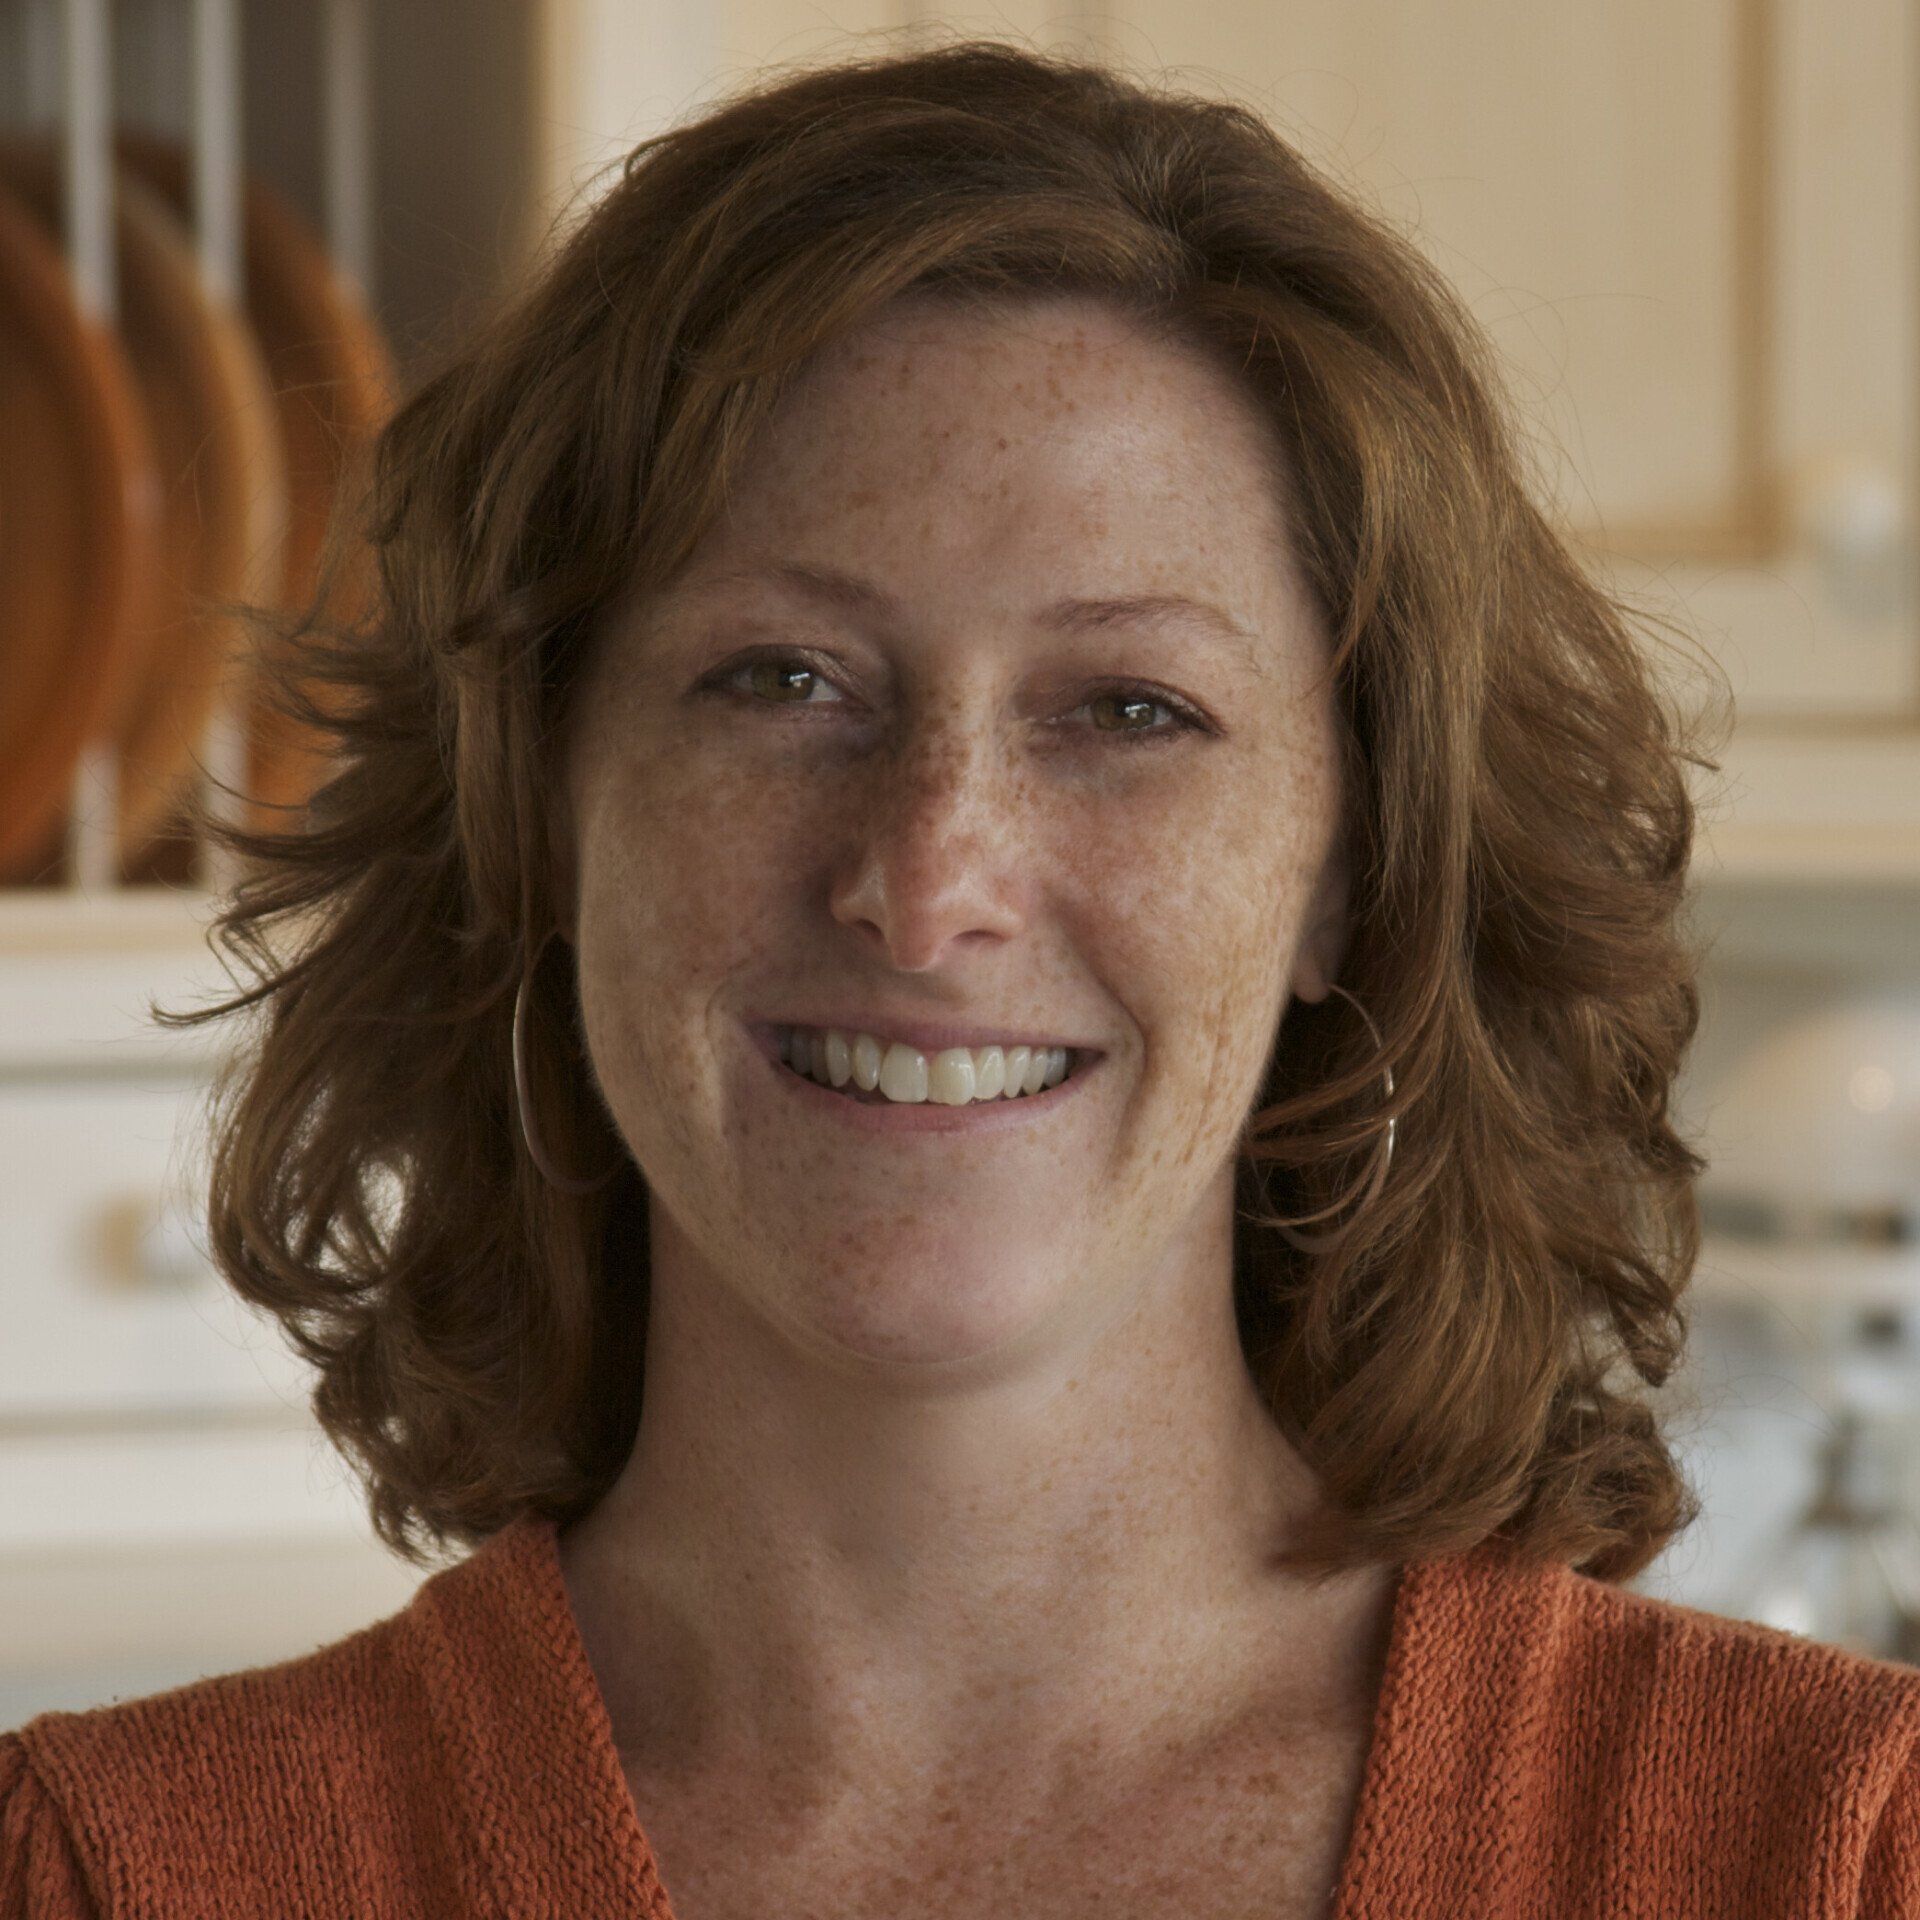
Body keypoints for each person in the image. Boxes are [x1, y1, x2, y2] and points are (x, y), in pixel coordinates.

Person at [5, 36, 1917, 1919]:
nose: (928, 885)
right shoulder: (108, 1875)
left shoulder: (1838, 1854)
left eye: (1129, 710)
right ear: (542, 809)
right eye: (782, 681)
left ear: (1356, 875)